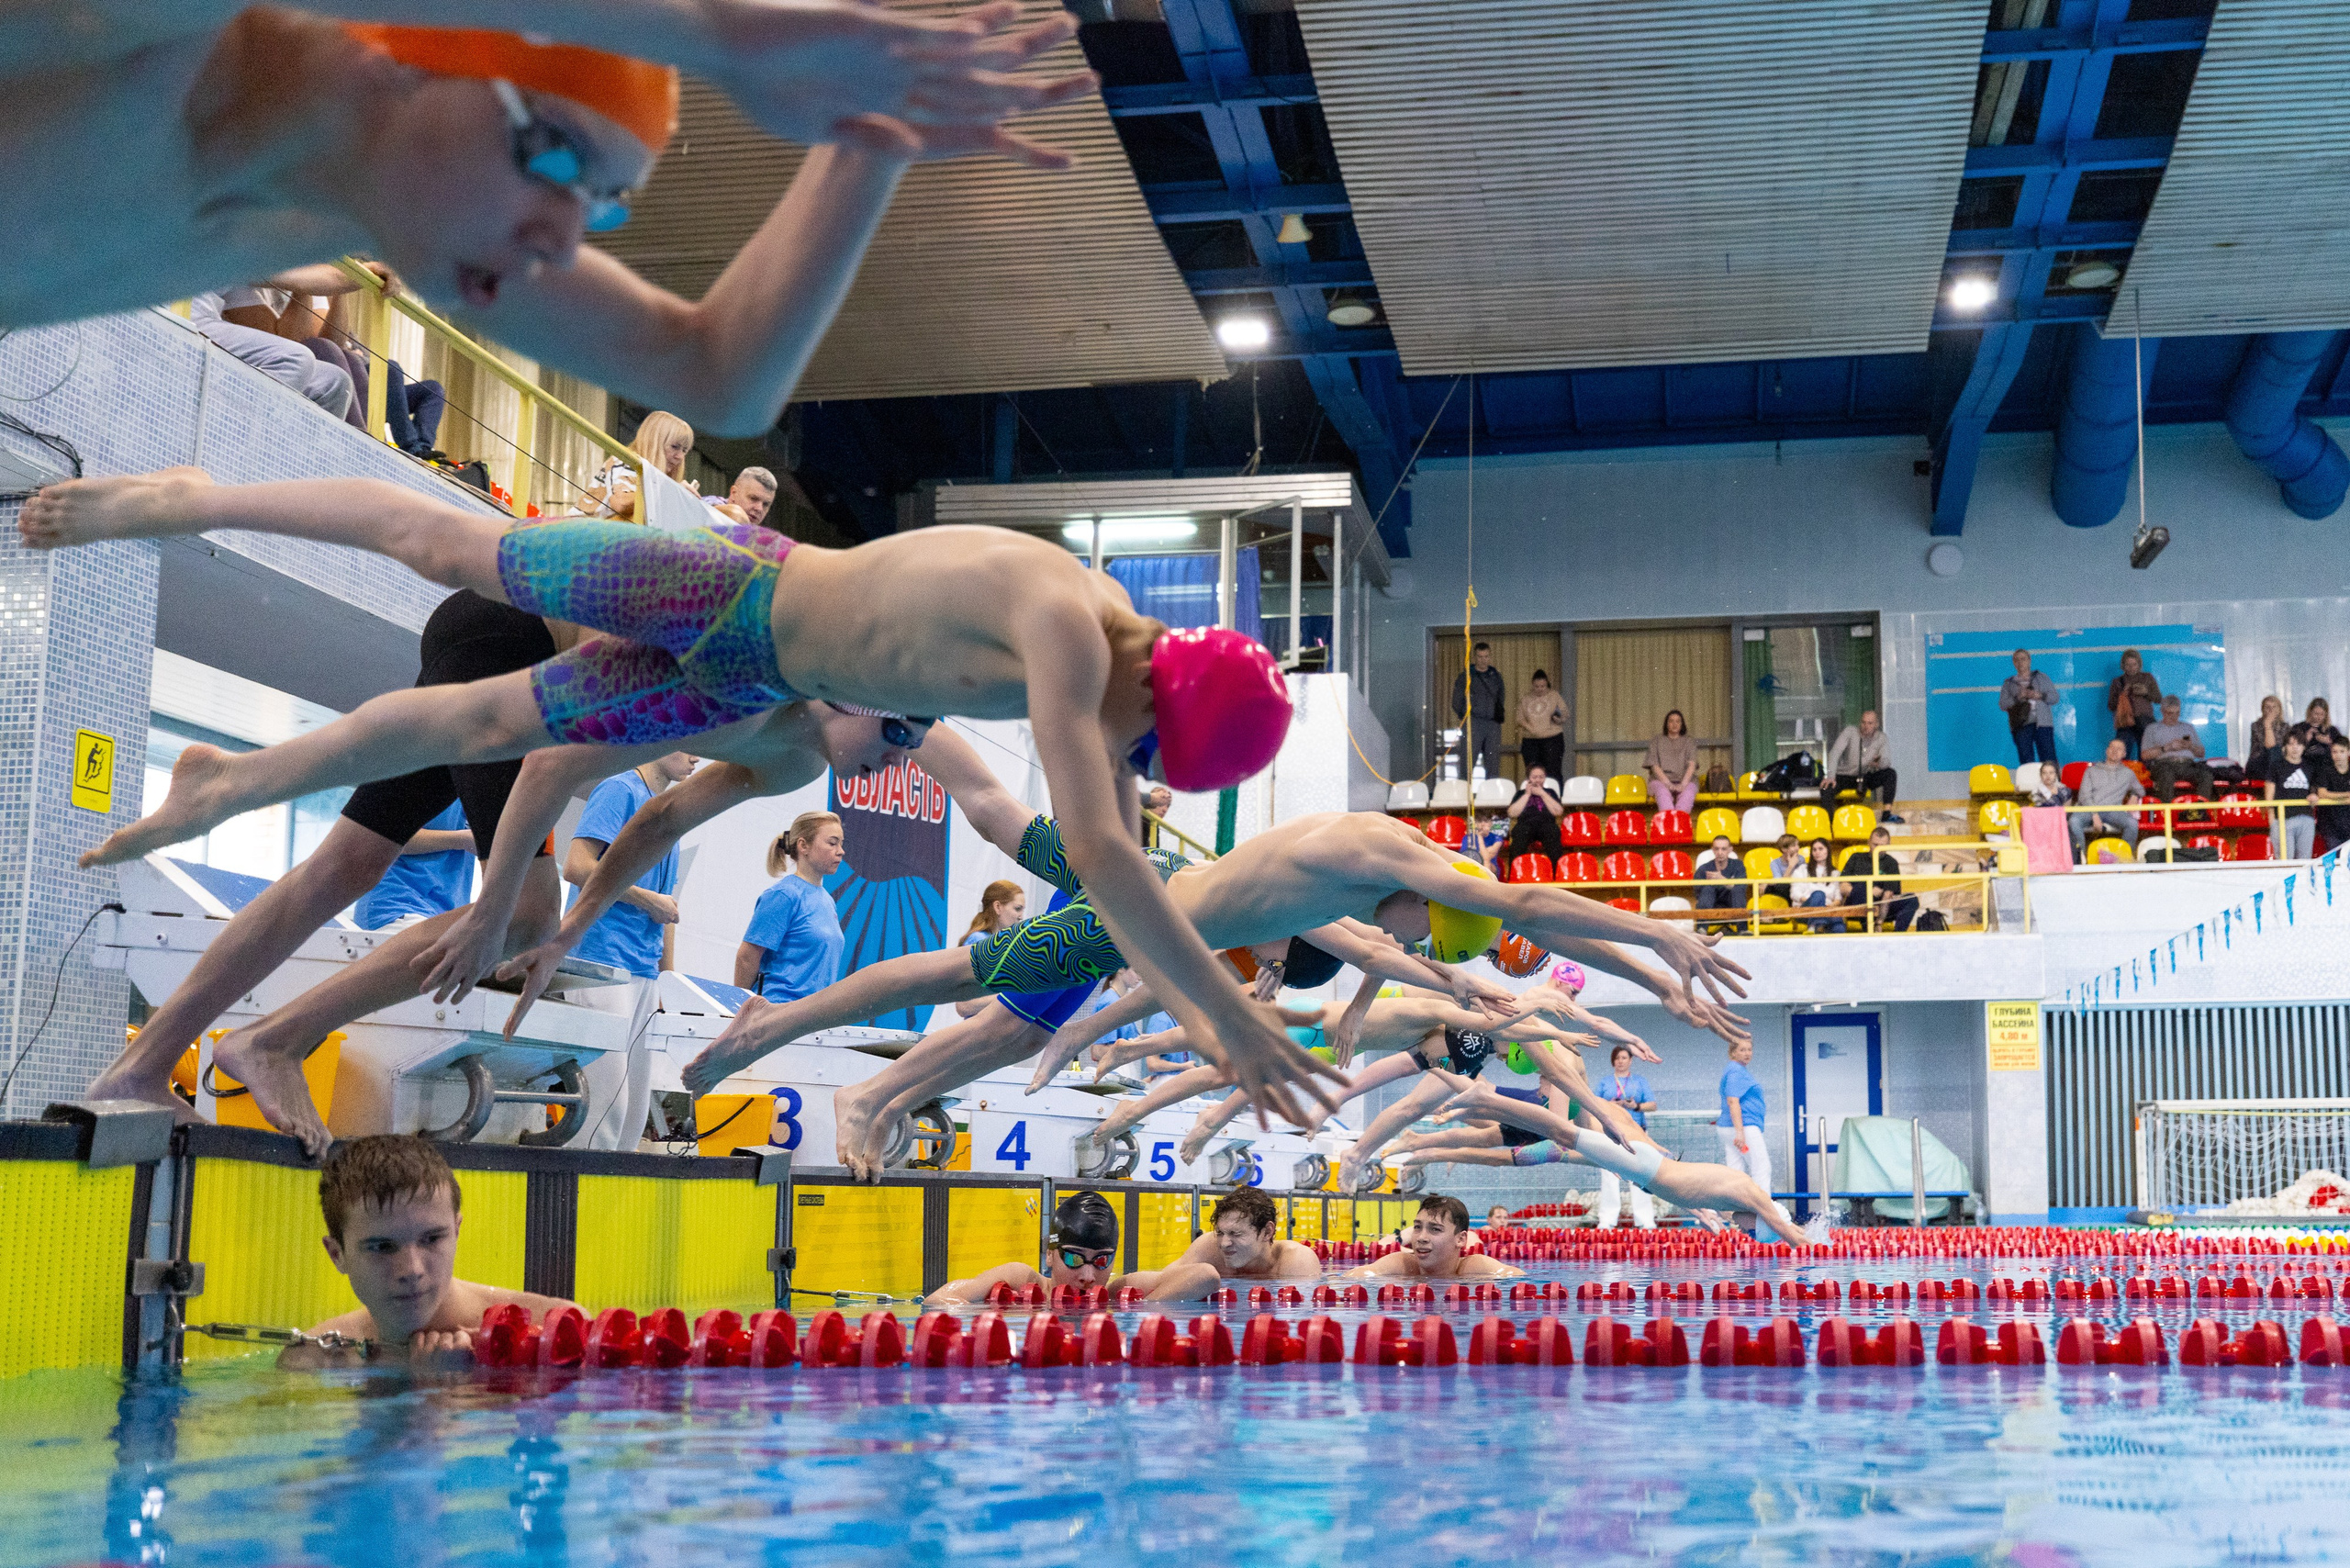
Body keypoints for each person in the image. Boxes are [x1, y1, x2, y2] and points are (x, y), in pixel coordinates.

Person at [29, 479, 1332, 1131]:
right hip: (731, 594)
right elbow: (1098, 851)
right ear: (1158, 698)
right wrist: (1233, 1019)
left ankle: (231, 784)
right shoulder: (1062, 616)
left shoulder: (796, 754)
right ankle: (193, 497)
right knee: (445, 546)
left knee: (484, 722)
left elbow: (634, 816)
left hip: (751, 676)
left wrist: (542, 913)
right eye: (1148, 754)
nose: (1129, 769)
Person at [8, 9, 1094, 426]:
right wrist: (720, 36)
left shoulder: (349, 203)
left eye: (602, 203)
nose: (563, 236)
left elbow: (717, 378)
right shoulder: (145, 43)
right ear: (416, 56)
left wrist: (868, 141)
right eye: (556, 159)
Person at [73, 586, 573, 1148]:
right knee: (528, 916)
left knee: (344, 865)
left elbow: (659, 820)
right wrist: (499, 912)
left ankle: (138, 1070)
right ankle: (274, 1040)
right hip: (516, 643)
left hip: (486, 624)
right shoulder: (683, 663)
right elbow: (551, 768)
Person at [280, 1135, 576, 1370]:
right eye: (382, 1247)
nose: (412, 1269)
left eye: (432, 1239)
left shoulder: (554, 1330)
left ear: (456, 1231)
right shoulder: (313, 1359)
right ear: (337, 1255)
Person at [1427, 1082, 1816, 1247]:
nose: (1744, 1232)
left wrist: (1699, 1210)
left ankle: (1469, 1113)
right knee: (1561, 1133)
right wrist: (1808, 1243)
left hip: (1643, 1171)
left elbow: (1689, 1190)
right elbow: (1785, 1227)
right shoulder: (1750, 1194)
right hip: (1643, 1165)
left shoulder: (1731, 1202)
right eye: (1753, 1232)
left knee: (1551, 1145)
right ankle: (1487, 1095)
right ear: (1761, 1217)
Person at [569, 756, 691, 982]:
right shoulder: (619, 790)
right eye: (690, 747)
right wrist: (648, 900)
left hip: (647, 968)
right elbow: (576, 867)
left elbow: (666, 907)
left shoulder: (668, 812)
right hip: (601, 960)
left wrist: (667, 980)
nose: (696, 758)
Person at [1104, 1188, 1319, 1301]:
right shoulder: (1209, 1246)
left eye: (1236, 1233)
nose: (1225, 1243)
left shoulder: (1295, 1260)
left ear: (1267, 1231)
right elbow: (1161, 1280)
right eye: (1220, 1232)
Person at [926, 1190, 1122, 1305]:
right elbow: (938, 1299)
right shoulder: (1020, 1279)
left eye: (1102, 1261)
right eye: (1074, 1259)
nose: (1088, 1277)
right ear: (1050, 1255)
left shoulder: (1119, 1293)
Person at [736, 812, 846, 1003]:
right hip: (777, 1010)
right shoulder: (784, 895)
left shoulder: (827, 901)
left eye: (841, 843)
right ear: (803, 845)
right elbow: (747, 957)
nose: (840, 851)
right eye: (832, 843)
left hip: (811, 1016)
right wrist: (736, 1010)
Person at [352, 804, 476, 931]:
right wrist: (462, 839)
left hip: (447, 916)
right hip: (395, 905)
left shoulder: (480, 793)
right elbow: (380, 837)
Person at [1342, 1196, 1523, 1281]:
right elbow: (1349, 1278)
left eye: (1435, 1229)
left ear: (1460, 1239)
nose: (1421, 1238)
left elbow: (1518, 1278)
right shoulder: (1402, 1264)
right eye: (1418, 1227)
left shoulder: (1473, 1268)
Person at [1592, 1044, 1657, 1229]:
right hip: (1610, 1133)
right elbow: (1594, 1103)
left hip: (1636, 1132)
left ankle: (1645, 1221)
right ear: (1613, 1061)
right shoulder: (1605, 1082)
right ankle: (1607, 1221)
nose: (1620, 1061)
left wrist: (1636, 1106)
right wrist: (1610, 1104)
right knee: (1609, 1176)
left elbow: (1652, 1105)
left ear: (1631, 1060)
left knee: (1641, 1175)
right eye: (1617, 1058)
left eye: (1624, 1058)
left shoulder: (1640, 1081)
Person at [584, 410, 695, 518]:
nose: (680, 457)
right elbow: (620, 503)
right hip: (579, 532)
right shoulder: (626, 461)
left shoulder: (653, 479)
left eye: (684, 450)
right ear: (653, 441)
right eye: (674, 447)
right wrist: (671, 491)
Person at [1716, 1038, 1772, 1230]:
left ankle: (1737, 1218)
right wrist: (1740, 1132)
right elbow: (1733, 1101)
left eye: (1749, 1049)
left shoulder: (1734, 1070)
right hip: (1743, 1127)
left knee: (1736, 1172)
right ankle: (1765, 1218)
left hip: (1733, 1128)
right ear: (1733, 1052)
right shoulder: (1735, 1072)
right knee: (1761, 1168)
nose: (1747, 1053)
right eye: (1742, 1050)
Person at [1836, 826, 1917, 933]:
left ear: (1888, 845)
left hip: (1881, 905)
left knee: (1912, 900)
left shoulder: (1891, 863)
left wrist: (1879, 922)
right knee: (1863, 888)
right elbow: (1843, 887)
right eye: (1875, 845)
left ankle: (1898, 936)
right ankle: (1868, 930)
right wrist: (1866, 891)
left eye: (1882, 846)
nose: (1878, 849)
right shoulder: (1856, 857)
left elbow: (1888, 894)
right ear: (1869, 842)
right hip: (1856, 903)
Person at [2072, 739, 2144, 856]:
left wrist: (2134, 795)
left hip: (2113, 810)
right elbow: (2084, 796)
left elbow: (2141, 789)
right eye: (2112, 747)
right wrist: (2094, 815)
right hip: (2089, 809)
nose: (2115, 751)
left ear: (2124, 754)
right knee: (2074, 821)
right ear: (2107, 751)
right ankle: (2081, 858)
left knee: (2132, 824)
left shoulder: (2128, 773)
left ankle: (2124, 858)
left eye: (2119, 749)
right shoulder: (2092, 770)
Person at [1823, 709, 1897, 820]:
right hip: (1846, 775)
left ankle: (1886, 814)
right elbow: (1835, 753)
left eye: (1870, 723)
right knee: (1826, 788)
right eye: (1863, 722)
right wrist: (1830, 776)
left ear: (1876, 725)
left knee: (1891, 774)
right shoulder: (1850, 732)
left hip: (1865, 777)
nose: (1866, 726)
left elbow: (1886, 762)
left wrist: (1879, 763)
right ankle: (1830, 822)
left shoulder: (1881, 738)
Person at [2141, 695, 2213, 802]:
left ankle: (2199, 811)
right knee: (2166, 776)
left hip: (2187, 765)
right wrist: (2167, 748)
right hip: (2164, 764)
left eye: (2177, 713)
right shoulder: (2152, 728)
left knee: (2206, 775)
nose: (2174, 717)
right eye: (2170, 713)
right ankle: (2167, 813)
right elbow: (2145, 755)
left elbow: (2201, 753)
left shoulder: (2188, 727)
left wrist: (2190, 747)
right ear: (2163, 711)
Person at [1452, 641, 1505, 781]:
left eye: (1486, 656)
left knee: (1493, 765)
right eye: (1480, 657)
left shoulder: (1496, 677)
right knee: (1467, 764)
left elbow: (1501, 698)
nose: (1483, 660)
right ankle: (1464, 800)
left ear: (1490, 657)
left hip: (1492, 724)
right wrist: (1468, 714)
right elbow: (1456, 701)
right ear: (1475, 657)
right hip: (1473, 723)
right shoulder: (1466, 676)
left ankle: (1491, 801)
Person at [1999, 649, 2060, 767]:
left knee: (2049, 759)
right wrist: (2018, 697)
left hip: (2043, 725)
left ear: (2029, 661)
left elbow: (2055, 698)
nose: (2020, 662)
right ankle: (2028, 785)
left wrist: (2040, 695)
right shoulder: (2009, 683)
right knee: (2026, 760)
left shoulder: (2041, 677)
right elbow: (2003, 704)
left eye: (2023, 659)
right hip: (2021, 725)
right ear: (2013, 663)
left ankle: (2053, 784)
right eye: (2016, 660)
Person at [2267, 734, 2319, 860]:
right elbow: (2269, 795)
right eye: (2291, 744)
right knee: (2285, 862)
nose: (2295, 748)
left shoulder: (2310, 766)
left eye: (2299, 744)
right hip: (2283, 819)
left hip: (2306, 818)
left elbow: (2314, 790)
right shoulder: (2276, 766)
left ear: (2304, 747)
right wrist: (2272, 820)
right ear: (2285, 747)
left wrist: (2314, 796)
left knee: (2305, 861)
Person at [1501, 766, 1566, 862]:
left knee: (1553, 833)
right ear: (1528, 778)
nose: (1538, 780)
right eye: (1534, 777)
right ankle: (1514, 873)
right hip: (1525, 825)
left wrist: (1542, 793)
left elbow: (1558, 812)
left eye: (1541, 777)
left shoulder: (1550, 792)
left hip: (1547, 825)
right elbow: (1512, 813)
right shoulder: (1520, 793)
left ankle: (1556, 873)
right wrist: (1527, 794)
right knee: (1518, 835)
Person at [2107, 650, 2162, 763]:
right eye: (2128, 665)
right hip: (2125, 723)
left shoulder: (2148, 678)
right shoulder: (2117, 682)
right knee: (2121, 756)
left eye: (2134, 664)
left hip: (2145, 721)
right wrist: (2122, 696)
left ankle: (2146, 778)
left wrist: (2146, 692)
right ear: (2123, 666)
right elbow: (2111, 706)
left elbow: (2158, 699)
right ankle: (2122, 778)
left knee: (2147, 757)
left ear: (2139, 665)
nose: (2131, 668)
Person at [1644, 710, 1699, 815]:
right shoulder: (1657, 740)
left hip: (1685, 780)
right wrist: (1668, 784)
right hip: (1660, 781)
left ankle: (1679, 823)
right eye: (1671, 721)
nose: (1675, 724)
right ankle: (1669, 824)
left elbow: (1692, 765)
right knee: (1663, 795)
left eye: (1678, 721)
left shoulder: (1689, 741)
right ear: (1666, 723)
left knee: (1687, 795)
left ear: (1682, 724)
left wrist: (1683, 785)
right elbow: (1654, 766)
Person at [1517, 670, 1569, 780]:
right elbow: (1519, 719)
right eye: (1537, 686)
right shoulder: (1525, 699)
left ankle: (1554, 795)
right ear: (1532, 685)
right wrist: (1530, 727)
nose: (1540, 689)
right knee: (1533, 772)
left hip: (1552, 739)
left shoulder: (1554, 696)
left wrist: (1559, 719)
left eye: (1543, 686)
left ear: (1547, 684)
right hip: (1531, 740)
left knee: (1553, 772)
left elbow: (1565, 714)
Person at [1692, 834, 1748, 932]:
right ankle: (1702, 929)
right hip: (1711, 905)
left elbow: (1742, 888)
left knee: (1737, 891)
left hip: (1732, 903)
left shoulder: (1738, 865)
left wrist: (1722, 880)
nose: (1720, 853)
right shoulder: (1704, 869)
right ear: (1713, 850)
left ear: (1730, 850)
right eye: (1717, 849)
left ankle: (1743, 930)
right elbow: (1697, 893)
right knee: (1707, 889)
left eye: (1724, 849)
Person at [1790, 837, 1845, 934]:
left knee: (1839, 927)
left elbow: (1838, 898)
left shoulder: (1835, 873)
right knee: (1819, 894)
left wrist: (1826, 907)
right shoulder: (1802, 869)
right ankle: (1814, 926)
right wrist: (1815, 903)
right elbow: (1795, 894)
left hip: (1827, 909)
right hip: (1805, 910)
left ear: (1827, 851)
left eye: (1820, 849)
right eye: (1814, 850)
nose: (1817, 852)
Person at [2312, 739, 2350, 857]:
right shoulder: (2325, 770)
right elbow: (2322, 793)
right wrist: (2346, 795)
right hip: (2330, 824)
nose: (2338, 755)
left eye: (2341, 751)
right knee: (2336, 860)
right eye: (2335, 752)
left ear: (2348, 752)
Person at [2246, 695, 2290, 787]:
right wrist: (2267, 724)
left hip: (2277, 765)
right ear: (2263, 709)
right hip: (2258, 765)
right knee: (2274, 750)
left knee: (2277, 752)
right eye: (2267, 707)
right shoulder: (2256, 726)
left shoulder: (2285, 727)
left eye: (2274, 707)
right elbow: (2270, 745)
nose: (2271, 710)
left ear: (2279, 709)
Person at [718, 466, 778, 530]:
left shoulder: (757, 537)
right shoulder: (711, 505)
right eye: (753, 498)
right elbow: (709, 505)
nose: (759, 509)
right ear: (734, 493)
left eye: (765, 504)